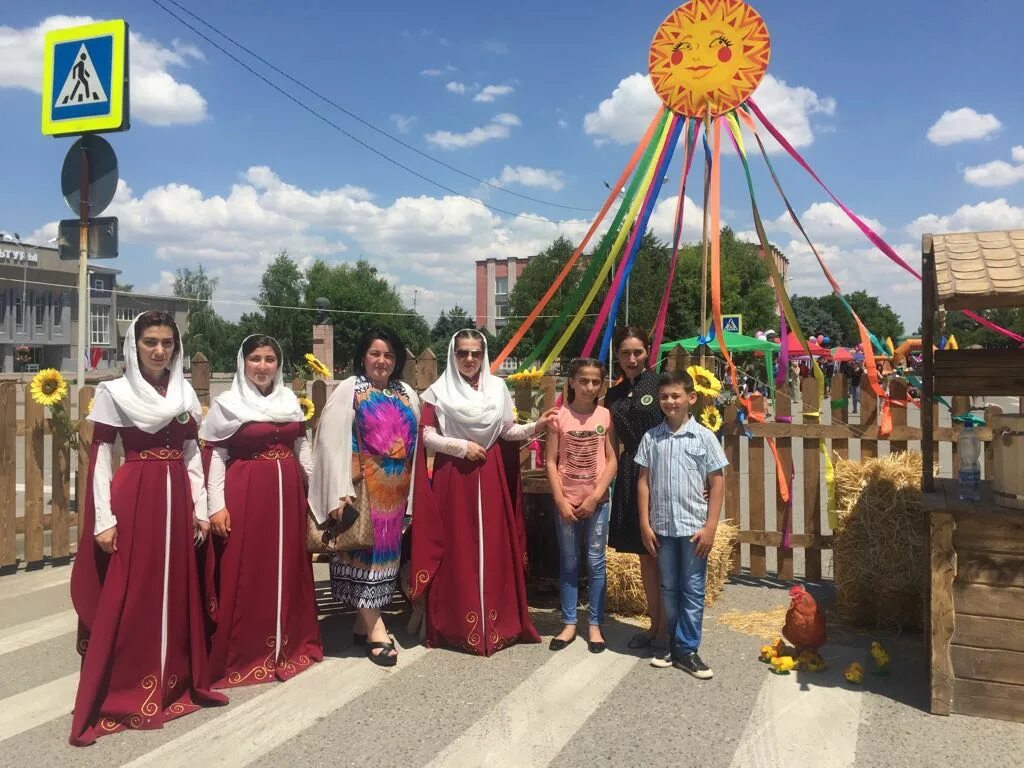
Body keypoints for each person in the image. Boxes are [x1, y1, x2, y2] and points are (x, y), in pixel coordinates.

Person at [69, 311, 226, 746]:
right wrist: (104, 519)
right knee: (133, 590)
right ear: (134, 346)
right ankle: (126, 685)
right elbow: (101, 455)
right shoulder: (113, 392)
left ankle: (173, 681)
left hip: (177, 494)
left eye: (166, 343)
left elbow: (193, 451)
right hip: (136, 494)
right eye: (150, 342)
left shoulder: (183, 394)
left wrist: (200, 506)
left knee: (175, 588)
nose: (159, 350)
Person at [409, 329, 558, 656]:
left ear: (484, 354)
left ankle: (498, 623)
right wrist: (461, 447)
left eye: (475, 353)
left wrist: (537, 426)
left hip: (490, 476)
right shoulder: (437, 393)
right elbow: (428, 436)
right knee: (457, 547)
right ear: (453, 354)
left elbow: (506, 431)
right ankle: (456, 625)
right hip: (455, 477)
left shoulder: (498, 388)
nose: (470, 359)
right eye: (463, 353)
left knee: (493, 546)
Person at [199, 335, 323, 687]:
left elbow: (301, 448)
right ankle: (246, 652)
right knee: (248, 569)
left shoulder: (288, 401)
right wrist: (216, 506)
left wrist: (317, 491)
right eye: (256, 358)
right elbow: (217, 458)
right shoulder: (228, 404)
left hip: (286, 497)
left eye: (270, 359)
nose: (263, 366)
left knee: (287, 566)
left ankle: (289, 643)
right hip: (246, 494)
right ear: (243, 362)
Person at [308, 327, 420, 666]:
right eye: (375, 354)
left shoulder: (405, 392)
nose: (382, 361)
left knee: (386, 561)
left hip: (396, 491)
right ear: (363, 356)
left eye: (388, 355)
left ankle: (362, 622)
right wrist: (339, 491)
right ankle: (376, 631)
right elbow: (329, 442)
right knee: (362, 557)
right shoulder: (350, 389)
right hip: (361, 488)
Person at [636, 369, 728, 679]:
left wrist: (711, 526)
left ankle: (688, 648)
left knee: (692, 588)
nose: (670, 401)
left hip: (693, 529)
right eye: (664, 397)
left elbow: (717, 482)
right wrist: (645, 523)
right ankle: (671, 642)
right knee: (669, 587)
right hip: (662, 527)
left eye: (676, 396)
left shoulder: (704, 437)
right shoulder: (651, 438)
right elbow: (643, 482)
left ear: (691, 398)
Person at [545, 358, 618, 653]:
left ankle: (595, 625)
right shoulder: (558, 417)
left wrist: (596, 494)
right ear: (572, 381)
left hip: (596, 502)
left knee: (596, 562)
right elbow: (551, 461)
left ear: (602, 385)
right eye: (583, 381)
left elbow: (613, 459)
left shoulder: (605, 416)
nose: (589, 387)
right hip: (567, 501)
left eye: (595, 382)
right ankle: (569, 623)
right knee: (569, 562)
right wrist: (560, 499)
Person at [605, 326, 667, 652]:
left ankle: (667, 630)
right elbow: (611, 447)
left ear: (647, 353)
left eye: (638, 352)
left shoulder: (660, 385)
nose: (631, 359)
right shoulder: (613, 395)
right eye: (625, 352)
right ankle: (654, 624)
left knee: (664, 554)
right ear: (616, 355)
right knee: (646, 556)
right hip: (630, 475)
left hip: (661, 471)